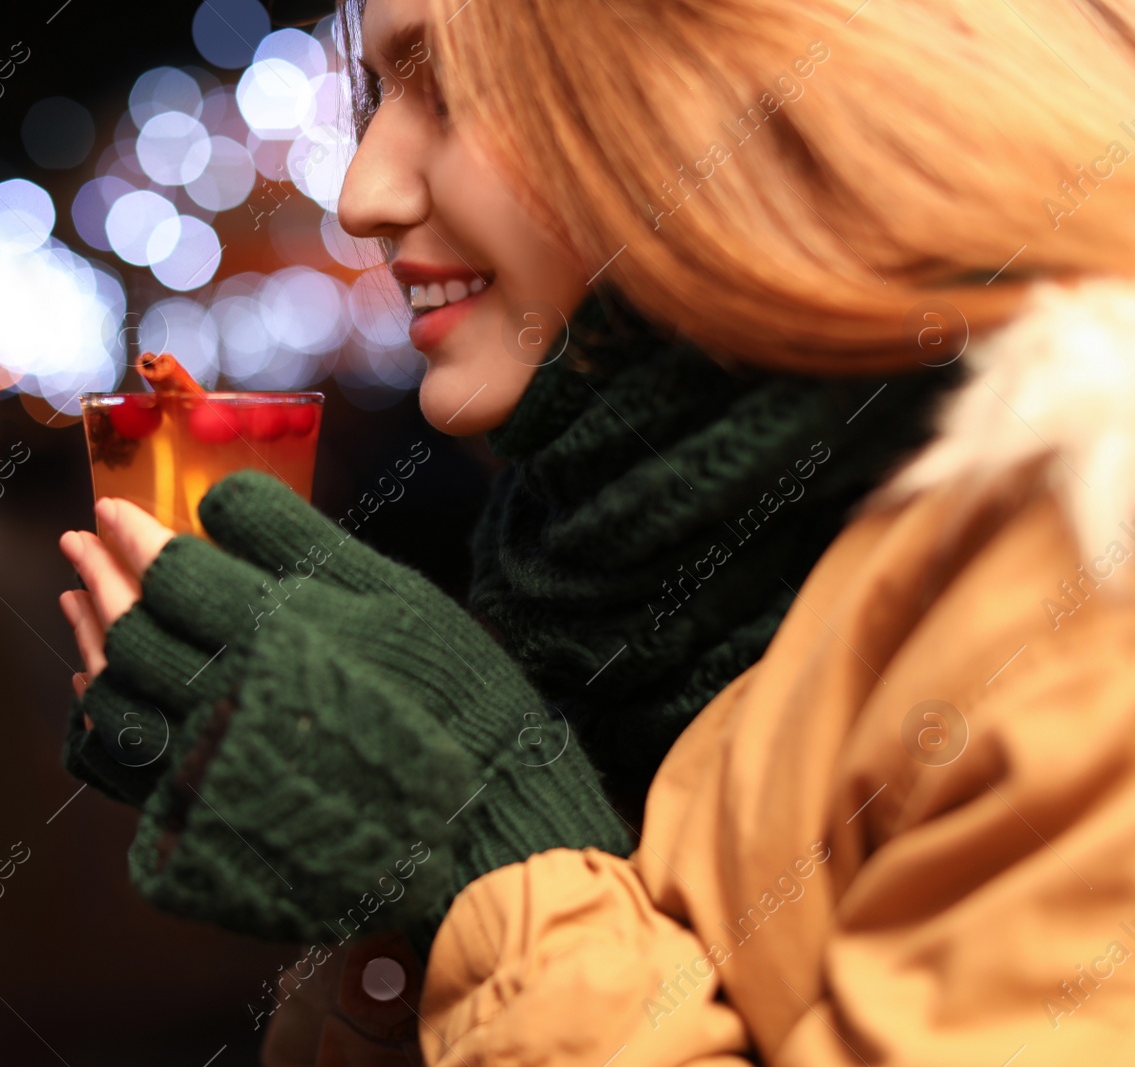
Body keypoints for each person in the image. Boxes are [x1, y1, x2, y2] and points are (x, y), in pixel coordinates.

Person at [62, 0, 1135, 1061]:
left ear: (735, 91)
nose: (361, 195)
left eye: (455, 85)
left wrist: (488, 854)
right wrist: (386, 874)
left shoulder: (1093, 578)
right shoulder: (596, 564)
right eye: (377, 97)